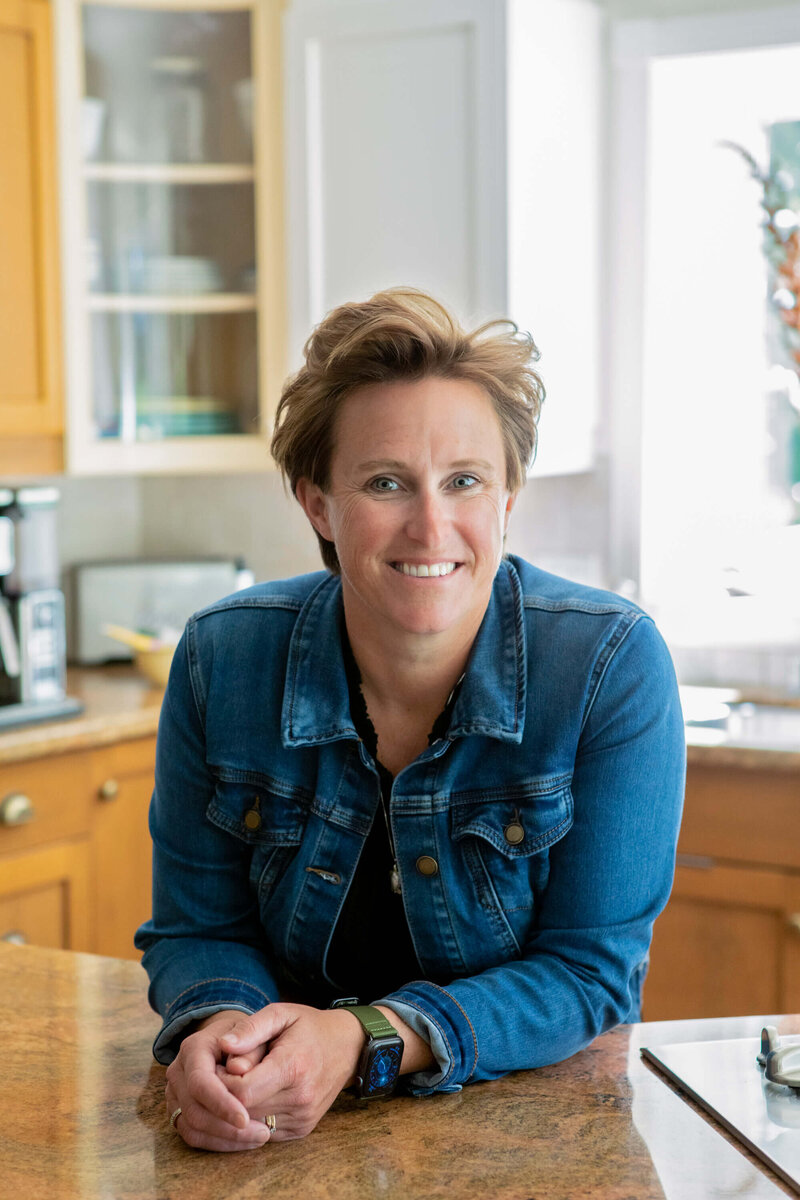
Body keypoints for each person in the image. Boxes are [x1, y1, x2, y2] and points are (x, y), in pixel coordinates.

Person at [135, 287, 685, 1152]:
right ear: (318, 504)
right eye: (386, 482)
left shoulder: (609, 667)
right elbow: (200, 928)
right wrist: (221, 1035)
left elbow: (590, 974)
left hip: (529, 1140)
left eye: (464, 481)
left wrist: (365, 1039)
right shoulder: (222, 658)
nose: (431, 526)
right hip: (282, 1130)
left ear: (506, 499)